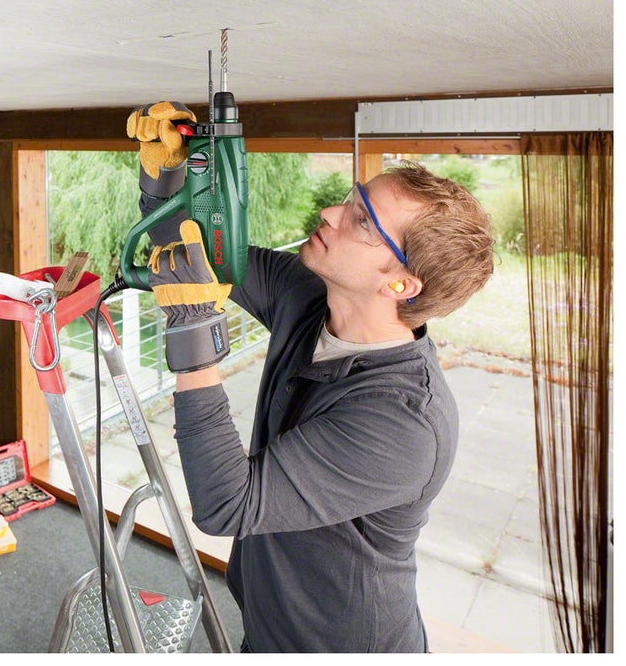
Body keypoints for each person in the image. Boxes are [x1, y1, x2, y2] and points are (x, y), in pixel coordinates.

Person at [127, 102, 495, 652]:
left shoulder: (404, 422)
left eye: (362, 222)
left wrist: (195, 330)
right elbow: (197, 257)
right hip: (268, 624)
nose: (330, 212)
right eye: (353, 200)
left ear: (401, 284)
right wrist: (168, 179)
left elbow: (227, 504)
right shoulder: (307, 293)